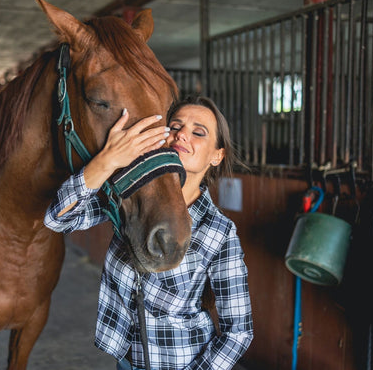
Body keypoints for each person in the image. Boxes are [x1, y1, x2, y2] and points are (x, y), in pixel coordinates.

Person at [45, 96, 253, 370]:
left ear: (217, 155)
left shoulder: (219, 231)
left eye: (198, 132)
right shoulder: (133, 193)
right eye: (175, 126)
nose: (181, 134)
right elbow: (58, 218)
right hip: (125, 361)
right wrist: (105, 162)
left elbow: (238, 332)